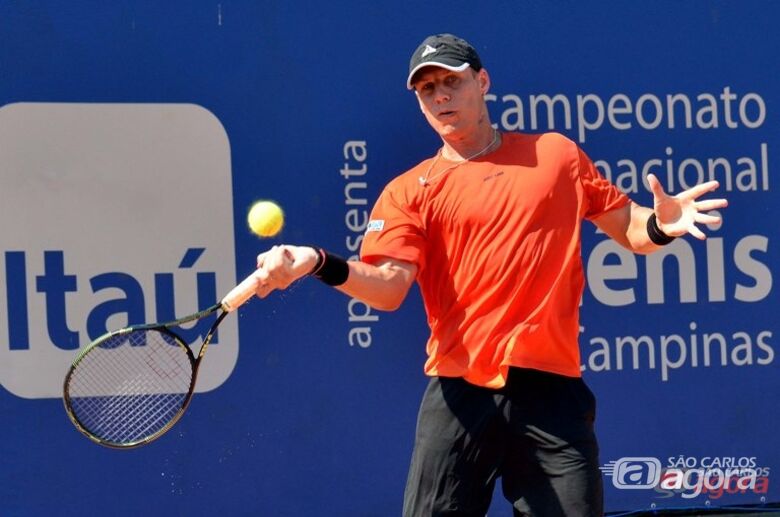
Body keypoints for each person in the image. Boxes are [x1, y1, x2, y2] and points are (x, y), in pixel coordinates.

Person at [251, 34, 727, 516]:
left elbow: (630, 231)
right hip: (459, 395)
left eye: (451, 82)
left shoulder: (556, 156)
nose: (440, 96)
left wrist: (662, 226)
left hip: (552, 394)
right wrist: (317, 261)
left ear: (482, 82)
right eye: (427, 89)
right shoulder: (407, 192)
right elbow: (389, 287)